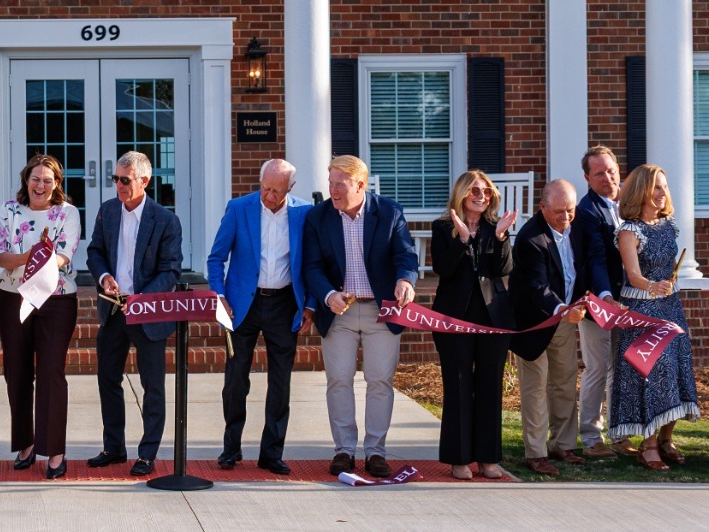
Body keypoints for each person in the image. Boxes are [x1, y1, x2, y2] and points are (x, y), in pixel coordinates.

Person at [302, 153, 419, 479]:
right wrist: (328, 295)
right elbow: (312, 267)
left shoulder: (389, 212)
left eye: (340, 184)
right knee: (338, 380)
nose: (333, 191)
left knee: (379, 381)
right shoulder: (318, 217)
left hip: (381, 311)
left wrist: (405, 280)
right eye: (330, 183)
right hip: (338, 312)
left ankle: (375, 452)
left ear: (360, 185)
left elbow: (406, 255)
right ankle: (343, 450)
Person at [206, 158, 311, 475]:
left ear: (291, 188)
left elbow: (313, 263)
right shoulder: (239, 208)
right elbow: (215, 258)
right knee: (235, 381)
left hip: (284, 304)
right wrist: (219, 297)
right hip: (241, 306)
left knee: (280, 382)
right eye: (265, 188)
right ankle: (231, 448)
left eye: (277, 191)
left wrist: (309, 306)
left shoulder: (304, 213)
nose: (269, 196)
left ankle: (272, 453)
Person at [86, 151, 184, 477]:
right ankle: (114, 447)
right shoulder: (108, 211)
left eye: (125, 180)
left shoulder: (165, 220)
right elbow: (95, 252)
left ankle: (147, 453)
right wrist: (104, 277)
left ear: (144, 181)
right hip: (114, 310)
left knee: (152, 385)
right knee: (107, 378)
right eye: (116, 178)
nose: (119, 185)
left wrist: (142, 298)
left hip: (148, 313)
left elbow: (171, 271)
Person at [0, 154, 82, 479]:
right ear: (26, 180)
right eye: (35, 178)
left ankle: (55, 451)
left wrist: (36, 263)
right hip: (12, 298)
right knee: (16, 373)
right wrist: (30, 255)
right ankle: (25, 443)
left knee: (51, 372)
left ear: (56, 184)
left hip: (55, 300)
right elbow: (1, 256)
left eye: (47, 180)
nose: (40, 185)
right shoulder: (9, 210)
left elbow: (64, 256)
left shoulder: (68, 213)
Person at [431, 169, 521, 480]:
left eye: (486, 191)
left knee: (489, 386)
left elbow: (503, 269)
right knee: (458, 386)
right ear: (462, 194)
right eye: (475, 191)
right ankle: (458, 459)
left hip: (492, 318)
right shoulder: (443, 228)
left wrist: (501, 238)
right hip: (454, 317)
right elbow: (443, 268)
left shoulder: (496, 228)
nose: (481, 196)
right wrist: (462, 240)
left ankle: (488, 458)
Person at [609, 164, 699, 471]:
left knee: (676, 369)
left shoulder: (668, 225)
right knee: (650, 373)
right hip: (642, 310)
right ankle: (646, 445)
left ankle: (665, 438)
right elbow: (633, 275)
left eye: (664, 186)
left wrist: (666, 286)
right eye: (656, 187)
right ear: (641, 191)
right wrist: (652, 285)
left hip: (671, 307)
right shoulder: (628, 231)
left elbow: (669, 267)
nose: (662, 193)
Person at [511, 178, 589, 477]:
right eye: (559, 211)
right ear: (542, 207)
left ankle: (563, 445)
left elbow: (580, 269)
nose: (566, 217)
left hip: (564, 320)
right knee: (535, 389)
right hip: (533, 322)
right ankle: (536, 453)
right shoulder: (531, 239)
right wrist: (562, 310)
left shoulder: (577, 229)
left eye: (570, 210)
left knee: (565, 382)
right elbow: (537, 286)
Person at [571, 144, 628, 457]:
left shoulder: (630, 203)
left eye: (611, 171)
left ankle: (620, 434)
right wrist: (605, 297)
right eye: (599, 174)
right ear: (587, 178)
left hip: (630, 300)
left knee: (620, 369)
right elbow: (595, 259)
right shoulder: (587, 211)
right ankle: (592, 437)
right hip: (598, 303)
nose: (607, 178)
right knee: (597, 368)